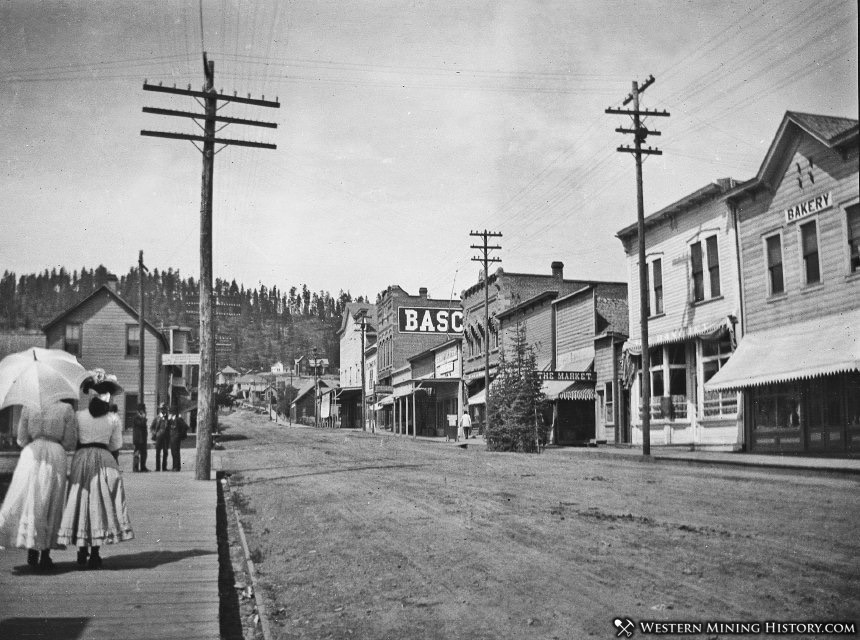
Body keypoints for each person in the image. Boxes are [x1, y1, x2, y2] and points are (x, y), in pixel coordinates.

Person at [57, 369, 134, 569]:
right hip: (103, 459)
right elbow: (116, 445)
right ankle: (95, 553)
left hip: (82, 459)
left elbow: (73, 441)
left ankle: (82, 549)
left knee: (81, 501)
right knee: (100, 503)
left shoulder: (78, 415)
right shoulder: (112, 418)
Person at [0, 401, 78, 571]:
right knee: (52, 500)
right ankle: (45, 553)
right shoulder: (66, 409)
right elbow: (70, 442)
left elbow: (21, 439)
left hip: (32, 453)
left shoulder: (29, 407)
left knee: (31, 498)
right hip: (56, 454)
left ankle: (31, 546)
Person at [167, 406, 188, 472]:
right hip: (172, 437)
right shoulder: (171, 420)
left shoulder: (178, 419)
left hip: (176, 437)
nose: (169, 413)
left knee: (176, 452)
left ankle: (177, 467)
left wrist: (180, 434)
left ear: (172, 413)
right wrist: (168, 420)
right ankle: (174, 466)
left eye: (170, 412)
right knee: (173, 452)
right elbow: (168, 427)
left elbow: (185, 426)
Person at [150, 402, 170, 472]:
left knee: (165, 452)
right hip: (159, 437)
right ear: (159, 410)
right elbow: (152, 427)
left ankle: (164, 467)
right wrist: (155, 433)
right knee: (158, 452)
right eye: (161, 409)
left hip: (166, 437)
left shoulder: (168, 418)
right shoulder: (157, 418)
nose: (163, 410)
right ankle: (157, 468)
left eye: (164, 409)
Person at [132, 403, 150, 472]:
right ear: (140, 410)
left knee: (144, 453)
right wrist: (144, 418)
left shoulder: (142, 417)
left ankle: (143, 467)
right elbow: (141, 424)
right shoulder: (136, 417)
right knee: (137, 453)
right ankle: (135, 468)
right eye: (143, 409)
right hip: (138, 439)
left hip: (143, 438)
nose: (144, 411)